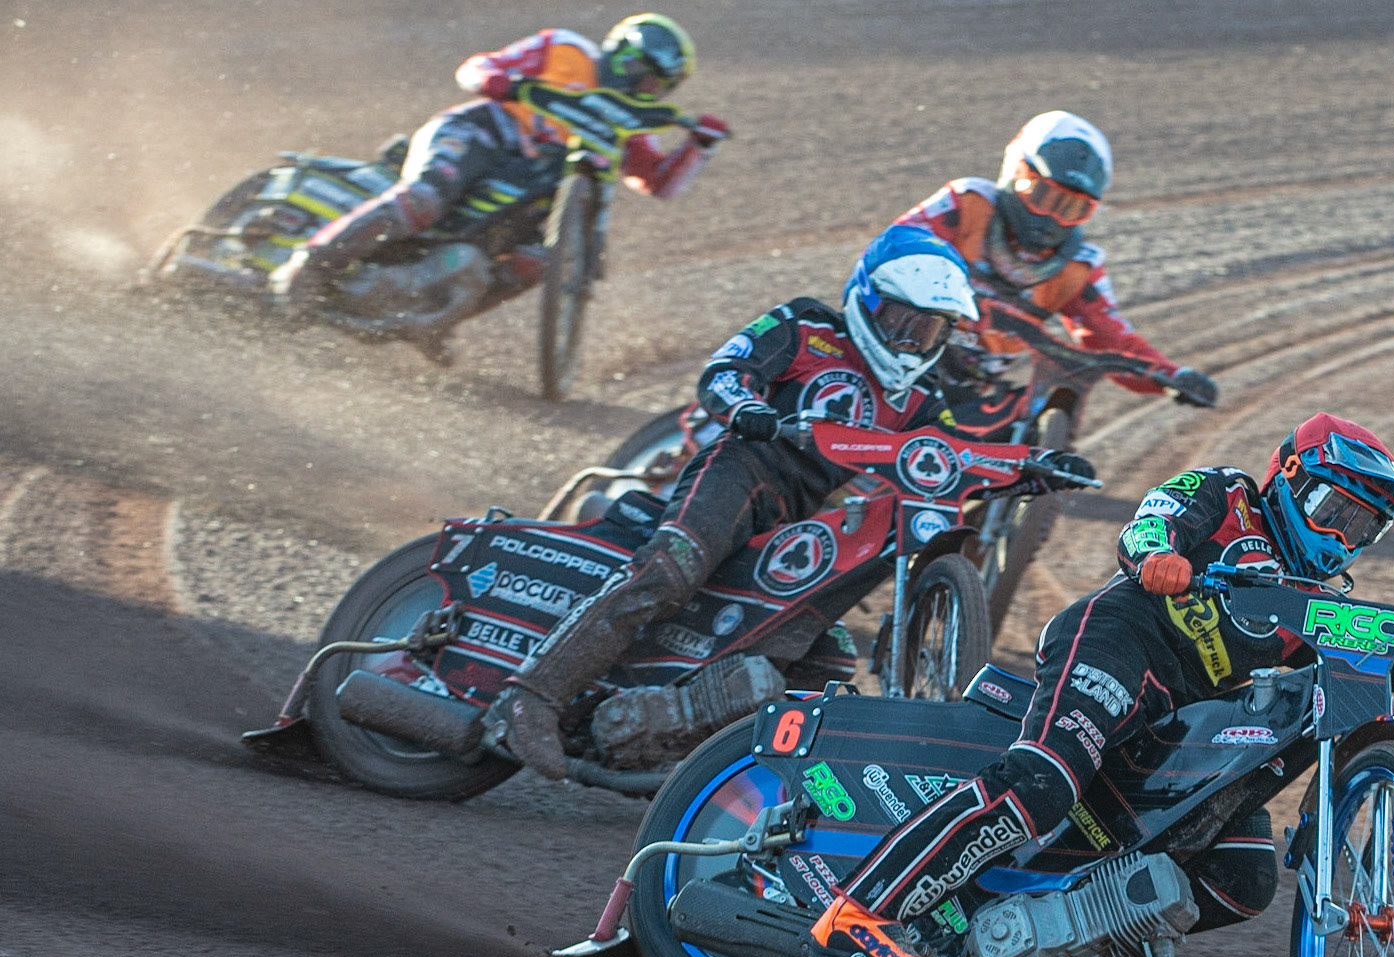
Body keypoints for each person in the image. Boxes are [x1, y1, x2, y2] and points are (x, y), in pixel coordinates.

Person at [807, 412, 1394, 957]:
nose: (1342, 538)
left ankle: (1069, 935)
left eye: (1361, 527)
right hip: (1120, 641)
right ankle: (858, 907)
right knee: (1042, 780)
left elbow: (1386, 656)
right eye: (1332, 509)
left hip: (1182, 720)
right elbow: (1149, 522)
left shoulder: (1313, 605)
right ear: (1287, 476)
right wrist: (1159, 556)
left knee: (1245, 878)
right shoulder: (1225, 492)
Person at [480, 224, 1093, 780]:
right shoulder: (806, 326)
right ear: (870, 301)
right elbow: (727, 369)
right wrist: (746, 407)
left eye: (929, 330)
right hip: (743, 471)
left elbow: (952, 450)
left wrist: (1032, 468)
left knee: (823, 657)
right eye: (903, 323)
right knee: (667, 574)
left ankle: (685, 758)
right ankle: (531, 697)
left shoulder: (923, 396)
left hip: (801, 514)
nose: (912, 342)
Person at [269, 15, 727, 324]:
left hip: (535, 190)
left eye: (660, 88)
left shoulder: (627, 120)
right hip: (482, 133)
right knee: (425, 200)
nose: (651, 93)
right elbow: (477, 68)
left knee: (538, 262)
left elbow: (659, 183)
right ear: (629, 58)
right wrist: (497, 81)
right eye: (650, 80)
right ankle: (307, 266)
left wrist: (699, 146)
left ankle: (432, 319)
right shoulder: (564, 49)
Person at [894, 110, 1216, 431]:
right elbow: (891, 250)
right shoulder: (966, 204)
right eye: (1043, 196)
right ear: (1016, 170)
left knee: (1026, 441)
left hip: (962, 397)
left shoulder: (1077, 266)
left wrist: (1171, 376)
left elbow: (1110, 338)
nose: (1051, 219)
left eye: (1072, 209)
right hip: (891, 357)